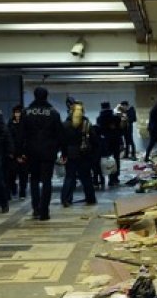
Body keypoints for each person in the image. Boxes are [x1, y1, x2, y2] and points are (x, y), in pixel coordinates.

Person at [20, 87, 62, 221]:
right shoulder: (54, 113)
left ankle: (36, 208)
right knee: (46, 181)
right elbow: (59, 134)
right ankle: (45, 211)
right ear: (46, 96)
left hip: (31, 152)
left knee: (33, 180)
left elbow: (21, 134)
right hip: (48, 152)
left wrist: (20, 152)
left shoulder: (26, 112)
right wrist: (62, 151)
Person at [60, 100, 98, 206]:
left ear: (71, 111)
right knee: (86, 177)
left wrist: (64, 155)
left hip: (70, 154)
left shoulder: (65, 125)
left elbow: (62, 142)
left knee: (69, 177)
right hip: (84, 154)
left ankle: (66, 199)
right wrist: (93, 155)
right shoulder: (87, 124)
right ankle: (90, 198)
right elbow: (94, 141)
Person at [96, 101, 122, 186]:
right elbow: (120, 129)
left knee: (106, 160)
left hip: (105, 142)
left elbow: (99, 131)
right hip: (115, 141)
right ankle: (114, 178)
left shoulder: (99, 119)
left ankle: (103, 177)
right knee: (116, 159)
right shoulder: (115, 118)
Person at [6, 104, 28, 200]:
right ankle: (13, 188)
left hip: (23, 153)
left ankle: (22, 192)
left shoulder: (26, 124)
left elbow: (27, 139)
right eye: (16, 112)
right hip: (13, 153)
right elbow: (8, 138)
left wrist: (24, 153)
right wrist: (11, 152)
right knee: (11, 174)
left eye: (19, 112)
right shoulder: (10, 123)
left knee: (23, 175)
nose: (17, 114)